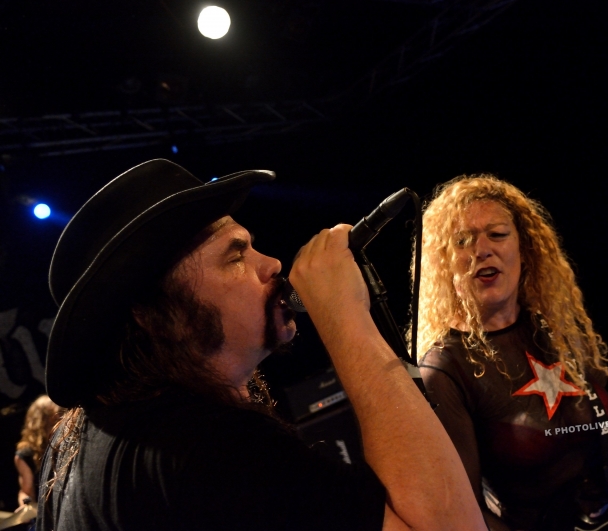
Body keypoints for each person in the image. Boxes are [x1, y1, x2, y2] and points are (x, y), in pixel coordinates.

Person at [38, 159, 485, 531]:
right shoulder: (214, 445)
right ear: (155, 313)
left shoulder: (73, 450)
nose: (272, 264)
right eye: (235, 256)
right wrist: (345, 317)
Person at [414, 175, 608, 531]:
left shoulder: (552, 324)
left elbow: (606, 401)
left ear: (524, 248)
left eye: (497, 234)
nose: (482, 249)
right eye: (463, 241)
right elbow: (462, 514)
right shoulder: (445, 369)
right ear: (445, 261)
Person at [14, 395, 63, 506]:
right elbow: (26, 493)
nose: (61, 421)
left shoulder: (67, 443)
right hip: (47, 509)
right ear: (42, 422)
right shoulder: (26, 455)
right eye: (56, 419)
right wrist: (26, 505)